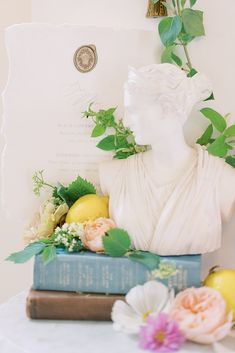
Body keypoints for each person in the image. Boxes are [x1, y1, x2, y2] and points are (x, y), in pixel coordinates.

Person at [99, 63, 235, 255]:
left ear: (167, 108)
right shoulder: (114, 174)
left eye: (134, 110)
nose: (127, 121)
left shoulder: (222, 180)